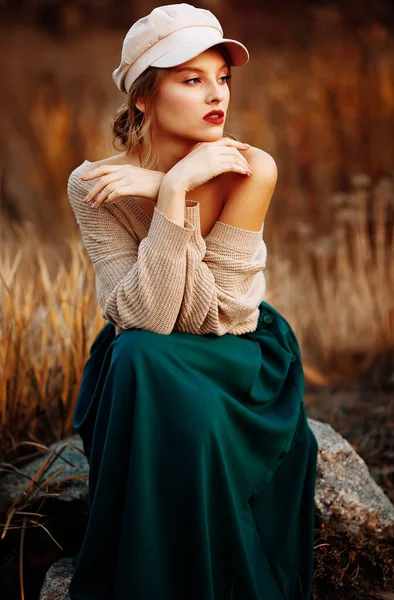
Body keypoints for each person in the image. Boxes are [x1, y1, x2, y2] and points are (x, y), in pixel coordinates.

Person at [66, 4, 318, 599]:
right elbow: (147, 318)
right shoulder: (94, 184)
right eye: (192, 78)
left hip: (241, 352)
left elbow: (219, 315)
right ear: (145, 98)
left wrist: (168, 190)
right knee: (135, 356)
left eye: (223, 78)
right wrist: (176, 191)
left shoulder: (252, 169)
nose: (217, 95)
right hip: (147, 351)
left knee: (143, 360)